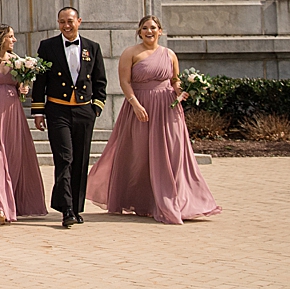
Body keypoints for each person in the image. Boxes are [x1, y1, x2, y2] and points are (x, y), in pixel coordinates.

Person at [87, 15, 221, 224]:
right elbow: (124, 82)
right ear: (139, 32)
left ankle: (177, 200)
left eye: (153, 28)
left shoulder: (170, 54)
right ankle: (143, 201)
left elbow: (174, 81)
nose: (149, 31)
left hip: (168, 110)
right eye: (145, 28)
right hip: (140, 109)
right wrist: (136, 105)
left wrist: (182, 91)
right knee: (139, 156)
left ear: (160, 31)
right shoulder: (130, 53)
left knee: (174, 154)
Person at [31, 6, 108, 229]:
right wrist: (38, 111)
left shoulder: (92, 47)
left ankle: (75, 207)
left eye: (70, 21)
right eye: (62, 21)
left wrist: (96, 107)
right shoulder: (48, 47)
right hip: (58, 110)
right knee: (64, 158)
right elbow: (40, 82)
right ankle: (66, 209)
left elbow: (100, 80)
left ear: (79, 21)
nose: (66, 25)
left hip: (84, 111)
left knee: (81, 160)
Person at [0, 24, 47, 224]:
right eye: (11, 36)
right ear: (1, 38)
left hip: (12, 113)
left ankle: (12, 202)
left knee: (12, 158)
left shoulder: (17, 62)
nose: (14, 40)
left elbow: (24, 86)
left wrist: (24, 88)